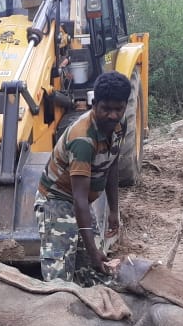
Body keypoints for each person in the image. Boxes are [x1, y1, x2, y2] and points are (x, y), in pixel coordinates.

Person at [35, 71, 131, 285]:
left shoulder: (119, 125)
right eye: (106, 109)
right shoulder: (83, 139)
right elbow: (78, 199)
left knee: (95, 272)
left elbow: (112, 163)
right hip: (57, 201)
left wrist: (114, 211)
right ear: (94, 104)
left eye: (119, 109)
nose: (113, 115)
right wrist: (91, 249)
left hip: (81, 200)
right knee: (59, 280)